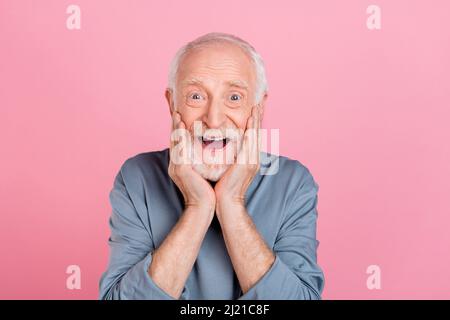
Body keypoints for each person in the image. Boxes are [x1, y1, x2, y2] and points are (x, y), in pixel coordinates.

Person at [99, 32, 324, 300]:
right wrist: (198, 206)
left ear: (259, 107)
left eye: (234, 97)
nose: (214, 120)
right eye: (196, 96)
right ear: (172, 104)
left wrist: (231, 201)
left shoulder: (293, 182)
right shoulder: (137, 177)